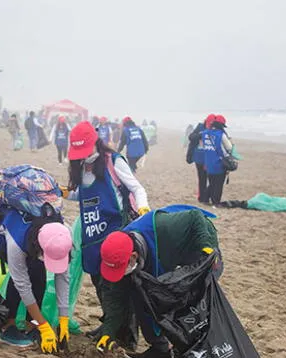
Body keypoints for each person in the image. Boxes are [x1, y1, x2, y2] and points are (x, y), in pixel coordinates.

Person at [62, 121, 150, 349]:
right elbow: (82, 195)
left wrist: (143, 208)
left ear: (96, 143)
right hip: (92, 236)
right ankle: (108, 325)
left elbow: (136, 188)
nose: (83, 155)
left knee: (118, 286)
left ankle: (125, 337)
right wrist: (63, 193)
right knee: (100, 283)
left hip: (115, 233)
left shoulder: (114, 161)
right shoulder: (81, 166)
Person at [96, 209, 221, 357]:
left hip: (198, 245)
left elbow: (195, 217)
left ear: (133, 256)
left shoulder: (166, 229)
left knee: (192, 298)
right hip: (165, 258)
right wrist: (108, 332)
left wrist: (206, 246)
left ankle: (194, 347)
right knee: (142, 297)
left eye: (120, 269)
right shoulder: (116, 254)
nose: (119, 274)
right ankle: (160, 348)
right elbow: (115, 299)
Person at [0, 201, 73, 353]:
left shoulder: (63, 235)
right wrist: (45, 326)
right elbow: (22, 284)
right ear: (38, 246)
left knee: (39, 276)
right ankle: (8, 326)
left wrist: (63, 319)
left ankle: (32, 324)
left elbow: (63, 277)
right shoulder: (17, 242)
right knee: (24, 274)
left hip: (32, 234)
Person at [202, 115, 233, 205]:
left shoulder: (205, 133)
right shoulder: (221, 135)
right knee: (218, 184)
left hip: (208, 162)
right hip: (219, 163)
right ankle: (216, 202)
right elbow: (229, 147)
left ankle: (206, 199)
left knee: (211, 182)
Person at [187, 114, 216, 204]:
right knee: (202, 178)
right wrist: (200, 135)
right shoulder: (200, 127)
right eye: (208, 123)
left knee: (212, 178)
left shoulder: (215, 129)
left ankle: (207, 196)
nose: (209, 126)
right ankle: (202, 198)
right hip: (199, 157)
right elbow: (191, 137)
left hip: (210, 158)